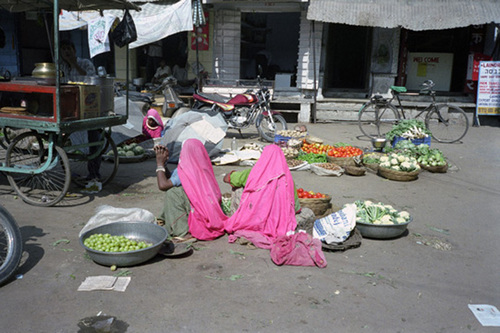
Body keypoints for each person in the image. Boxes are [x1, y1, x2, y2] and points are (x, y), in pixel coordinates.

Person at [60, 39, 101, 181]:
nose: (66, 52)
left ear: (74, 50)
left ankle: (94, 173)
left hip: (88, 105)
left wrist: (74, 64)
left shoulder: (85, 63)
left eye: (68, 48)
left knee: (94, 139)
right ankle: (66, 171)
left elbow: (90, 79)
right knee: (63, 140)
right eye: (63, 49)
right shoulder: (61, 66)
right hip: (70, 108)